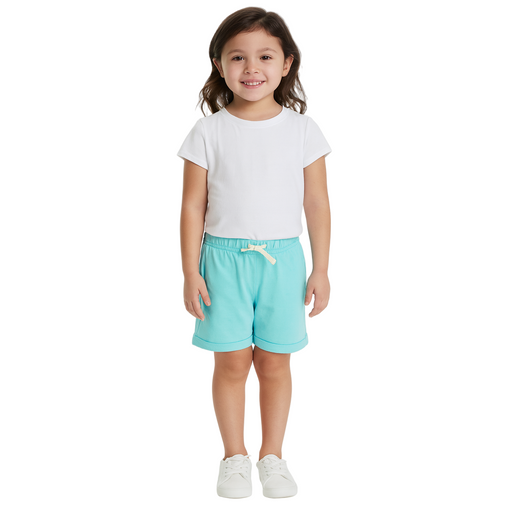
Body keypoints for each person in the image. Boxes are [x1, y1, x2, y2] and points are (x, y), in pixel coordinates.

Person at [177, 7, 332, 499]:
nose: (251, 68)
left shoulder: (303, 130)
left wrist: (322, 269)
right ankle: (234, 458)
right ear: (219, 65)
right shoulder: (208, 132)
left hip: (283, 263)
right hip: (222, 263)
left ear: (286, 63)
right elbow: (193, 206)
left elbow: (316, 202)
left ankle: (273, 457)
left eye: (265, 56)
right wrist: (190, 272)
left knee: (275, 364)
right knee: (230, 365)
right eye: (237, 57)